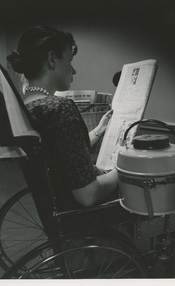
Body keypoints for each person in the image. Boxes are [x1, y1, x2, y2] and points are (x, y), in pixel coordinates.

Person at [7, 25, 118, 211]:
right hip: (83, 213)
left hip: (57, 209)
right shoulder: (59, 108)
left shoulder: (29, 106)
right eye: (69, 60)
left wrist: (98, 131)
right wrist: (122, 170)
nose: (73, 71)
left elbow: (64, 155)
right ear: (52, 59)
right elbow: (88, 194)